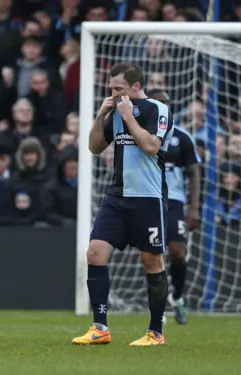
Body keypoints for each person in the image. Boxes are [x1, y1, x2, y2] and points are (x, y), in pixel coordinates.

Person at [73, 63, 174, 346]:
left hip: (148, 197)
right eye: (112, 88)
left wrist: (129, 118)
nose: (114, 93)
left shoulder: (157, 110)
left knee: (151, 260)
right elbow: (94, 147)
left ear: (135, 86)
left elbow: (152, 146)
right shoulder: (115, 111)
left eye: (119, 88)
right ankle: (100, 327)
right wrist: (102, 114)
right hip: (117, 196)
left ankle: (155, 332)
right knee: (94, 253)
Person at [148, 89, 201, 325]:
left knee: (178, 253)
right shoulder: (141, 136)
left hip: (175, 202)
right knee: (151, 254)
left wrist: (194, 209)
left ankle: (177, 297)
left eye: (167, 104)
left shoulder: (182, 137)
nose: (164, 108)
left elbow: (194, 173)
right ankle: (158, 308)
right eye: (159, 104)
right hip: (147, 200)